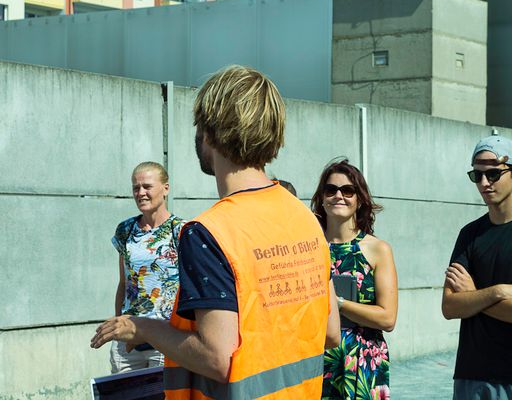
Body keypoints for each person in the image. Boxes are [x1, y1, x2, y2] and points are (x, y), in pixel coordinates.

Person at [92, 65, 340, 399]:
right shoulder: (306, 218)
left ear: (209, 132)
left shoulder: (209, 232)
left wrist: (142, 326)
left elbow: (216, 356)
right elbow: (331, 332)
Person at [311, 158, 398, 400]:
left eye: (347, 190)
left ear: (359, 199)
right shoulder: (309, 247)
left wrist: (337, 304)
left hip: (364, 359)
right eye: (331, 190)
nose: (339, 195)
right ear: (322, 198)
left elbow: (388, 318)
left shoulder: (377, 249)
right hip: (317, 356)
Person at [442, 135, 512, 400]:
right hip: (472, 376)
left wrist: (472, 295)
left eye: (493, 174)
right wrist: (495, 292)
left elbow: (463, 301)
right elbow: (450, 307)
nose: (484, 183)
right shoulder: (469, 234)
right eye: (477, 175)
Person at [110, 161, 185, 373]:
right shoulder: (125, 230)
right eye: (136, 187)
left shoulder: (181, 230)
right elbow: (124, 282)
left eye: (147, 186)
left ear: (166, 189)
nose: (141, 192)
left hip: (167, 338)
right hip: (129, 339)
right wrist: (119, 326)